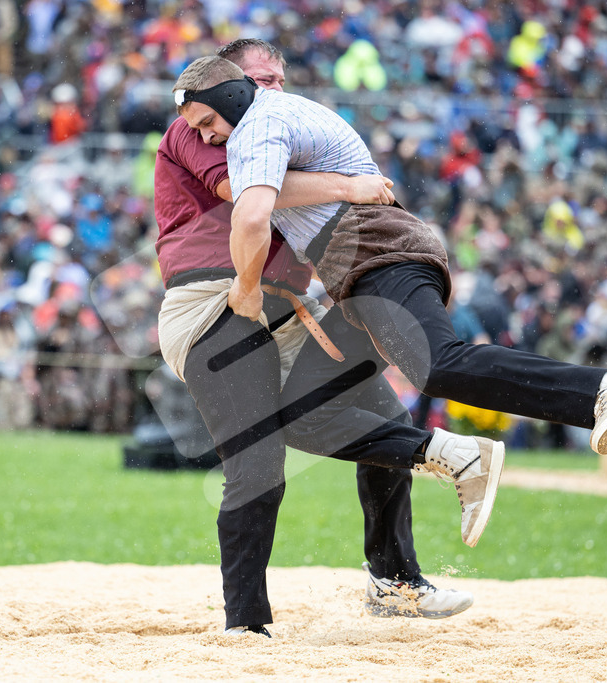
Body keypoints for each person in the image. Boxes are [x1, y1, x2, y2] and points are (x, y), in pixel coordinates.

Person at [157, 40, 502, 638]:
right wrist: (349, 185)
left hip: (283, 306)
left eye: (278, 79)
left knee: (379, 409)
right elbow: (246, 198)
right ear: (229, 83)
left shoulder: (279, 129)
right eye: (259, 79)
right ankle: (245, 623)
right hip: (213, 303)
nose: (271, 89)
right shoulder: (198, 129)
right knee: (258, 460)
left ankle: (394, 583)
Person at [172, 55, 607, 460]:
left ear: (230, 98)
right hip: (360, 266)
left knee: (436, 366)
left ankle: (601, 392)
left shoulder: (257, 125)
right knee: (302, 411)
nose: (207, 137)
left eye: (208, 123)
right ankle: (444, 472)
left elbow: (252, 215)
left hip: (372, 250)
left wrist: (247, 289)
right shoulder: (272, 118)